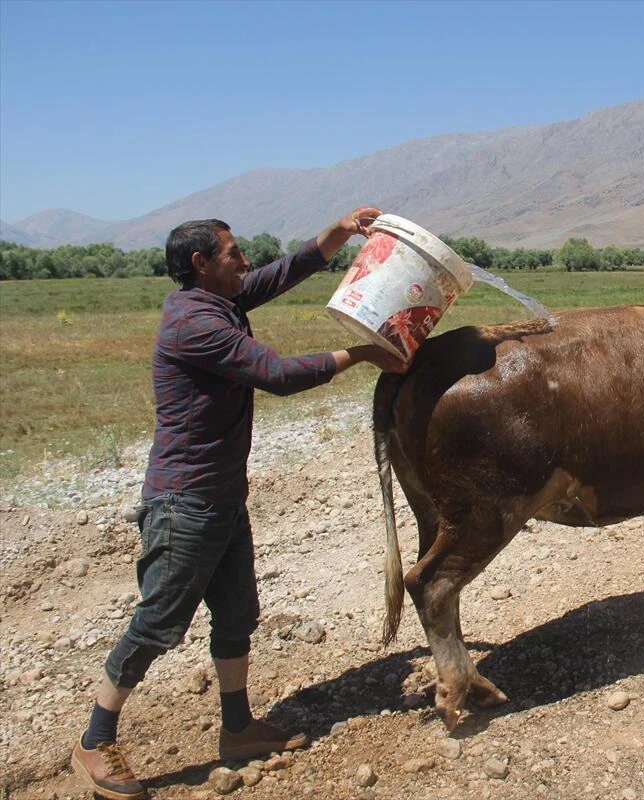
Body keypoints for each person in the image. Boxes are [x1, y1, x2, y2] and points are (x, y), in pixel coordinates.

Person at [71, 207, 405, 800]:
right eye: (233, 254)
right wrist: (362, 355)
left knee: (237, 616)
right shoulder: (193, 324)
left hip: (221, 497)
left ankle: (238, 729)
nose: (245, 262)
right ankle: (96, 740)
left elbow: (285, 271)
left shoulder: (218, 298)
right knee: (158, 623)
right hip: (185, 501)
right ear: (201, 264)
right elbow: (274, 373)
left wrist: (341, 228)